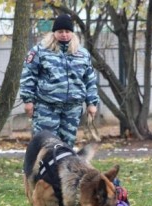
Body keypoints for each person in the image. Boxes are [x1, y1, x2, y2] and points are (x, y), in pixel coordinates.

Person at [20, 14, 99, 147]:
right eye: (60, 31)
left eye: (67, 31)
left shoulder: (82, 54)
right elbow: (29, 76)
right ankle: (38, 168)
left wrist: (92, 103)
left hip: (72, 109)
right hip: (47, 107)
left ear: (72, 33)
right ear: (54, 33)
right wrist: (28, 101)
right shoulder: (40, 51)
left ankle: (62, 169)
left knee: (67, 147)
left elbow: (90, 80)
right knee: (45, 145)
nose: (64, 34)